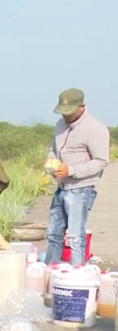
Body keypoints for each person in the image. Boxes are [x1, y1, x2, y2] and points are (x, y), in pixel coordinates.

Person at [44, 88, 110, 267]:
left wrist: (70, 170)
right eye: (62, 112)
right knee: (53, 234)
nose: (65, 116)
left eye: (69, 112)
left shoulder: (95, 129)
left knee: (74, 237)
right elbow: (53, 149)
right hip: (61, 188)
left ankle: (76, 276)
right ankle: (50, 273)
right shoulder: (59, 125)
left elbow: (101, 162)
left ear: (82, 107)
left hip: (81, 189)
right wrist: (51, 162)